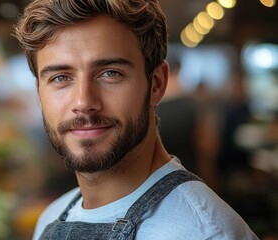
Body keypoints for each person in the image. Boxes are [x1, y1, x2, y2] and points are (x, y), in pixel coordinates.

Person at [13, 0, 258, 239]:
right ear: (39, 91)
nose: (83, 102)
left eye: (110, 73)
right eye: (60, 78)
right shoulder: (52, 217)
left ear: (156, 84)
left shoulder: (202, 232)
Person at [158, 58, 220, 191]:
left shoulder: (150, 108)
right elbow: (208, 145)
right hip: (191, 179)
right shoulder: (192, 105)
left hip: (158, 182)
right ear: (178, 70)